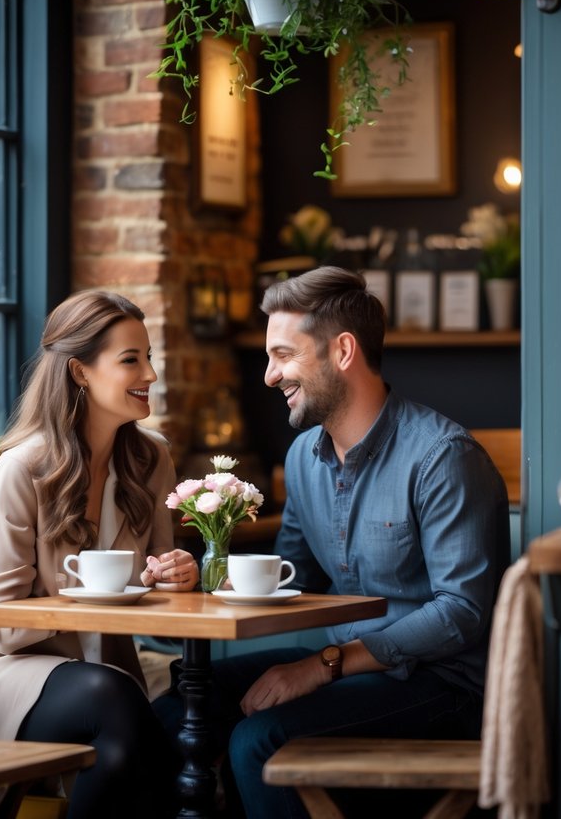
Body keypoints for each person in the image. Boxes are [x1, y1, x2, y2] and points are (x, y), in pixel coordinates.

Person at [156, 266, 509, 818]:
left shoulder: (443, 456)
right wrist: (207, 567)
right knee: (180, 705)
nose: (269, 376)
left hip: (440, 684)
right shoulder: (303, 458)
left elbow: (461, 612)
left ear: (342, 351)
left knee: (260, 740)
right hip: (346, 666)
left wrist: (323, 664)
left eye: (283, 355)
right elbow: (296, 573)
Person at [0, 290, 199, 819]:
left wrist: (176, 576)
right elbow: (5, 627)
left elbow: (164, 597)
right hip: (13, 673)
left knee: (129, 749)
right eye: (131, 359)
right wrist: (98, 596)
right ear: (80, 372)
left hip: (107, 677)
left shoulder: (152, 460)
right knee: (129, 718)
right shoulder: (21, 469)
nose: (150, 374)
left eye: (148, 357)